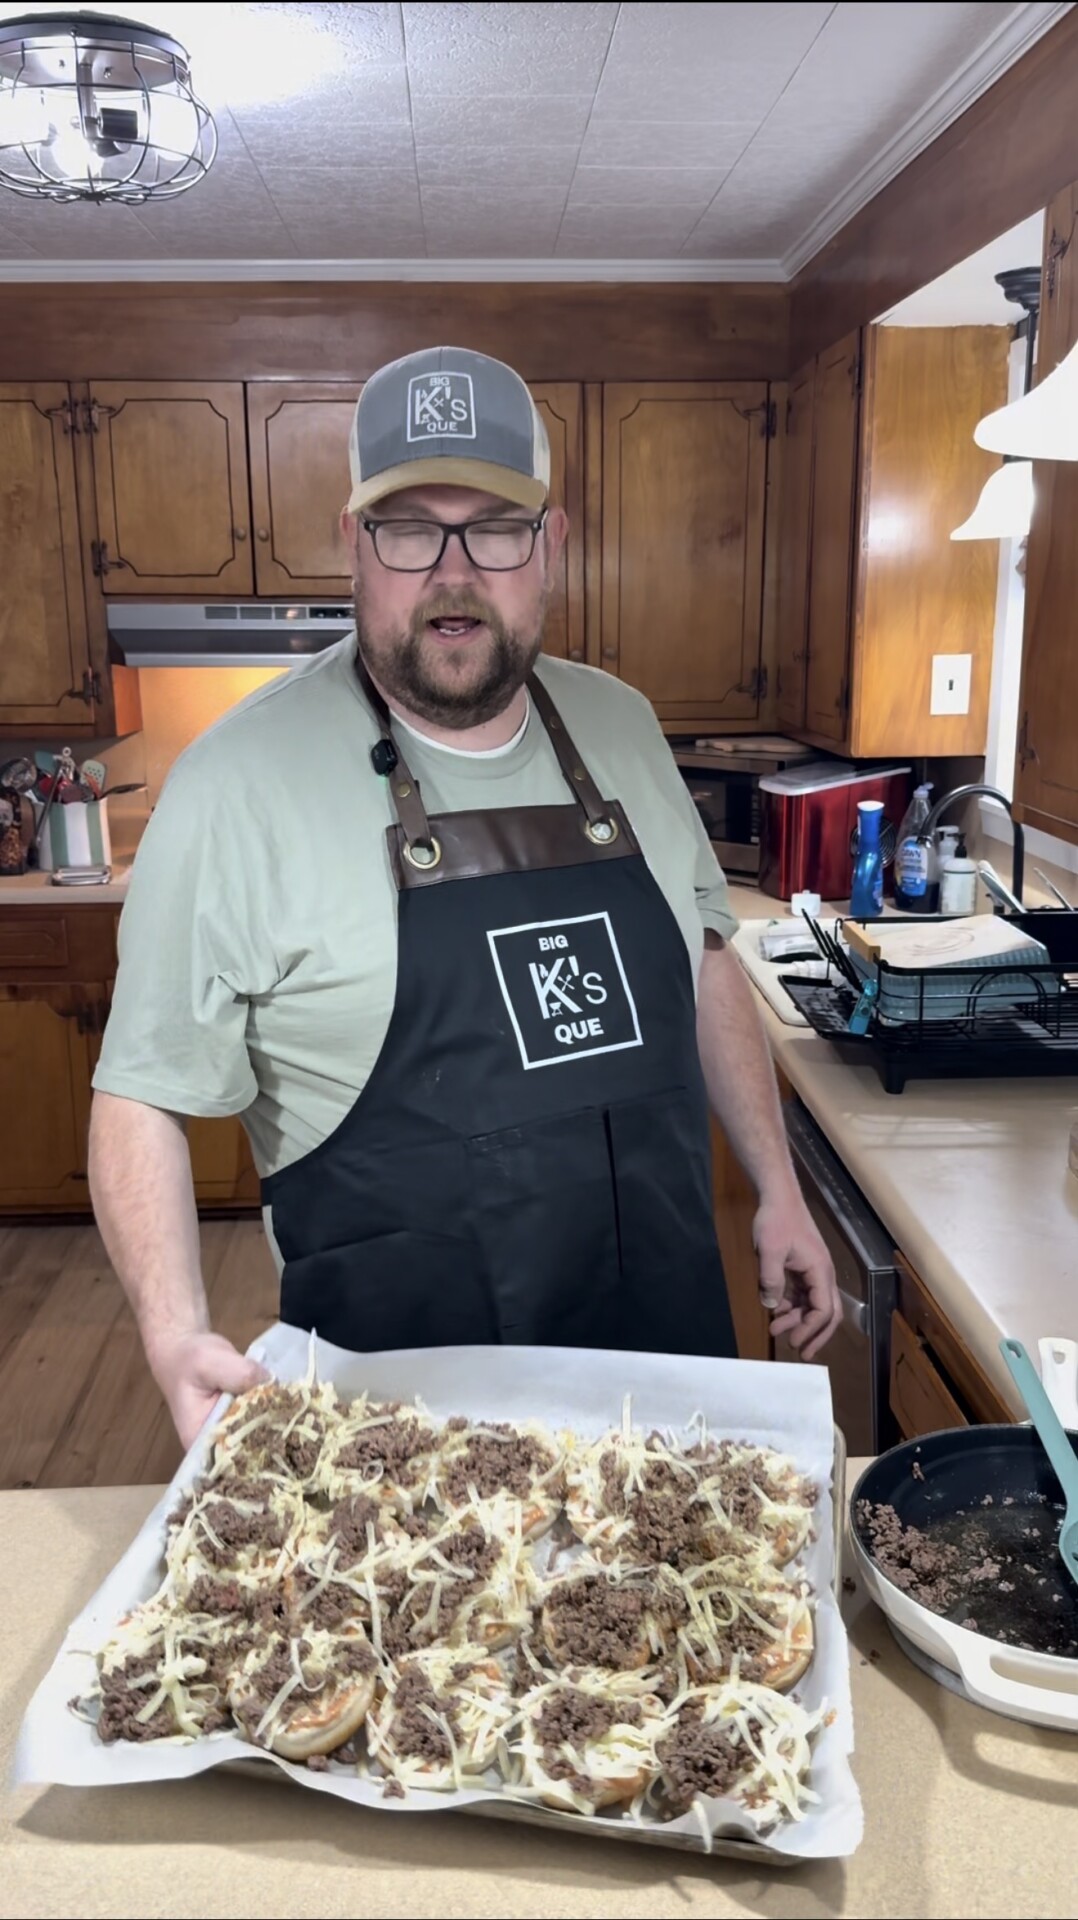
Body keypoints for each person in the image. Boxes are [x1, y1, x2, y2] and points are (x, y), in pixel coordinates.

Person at [89, 345, 840, 1449]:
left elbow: (707, 955)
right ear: (353, 544)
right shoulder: (234, 784)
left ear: (553, 546)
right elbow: (141, 1091)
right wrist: (171, 1332)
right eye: (409, 529)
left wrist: (776, 1183)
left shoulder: (623, 725)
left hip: (666, 1386)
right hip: (400, 1434)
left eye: (495, 528)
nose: (453, 572)